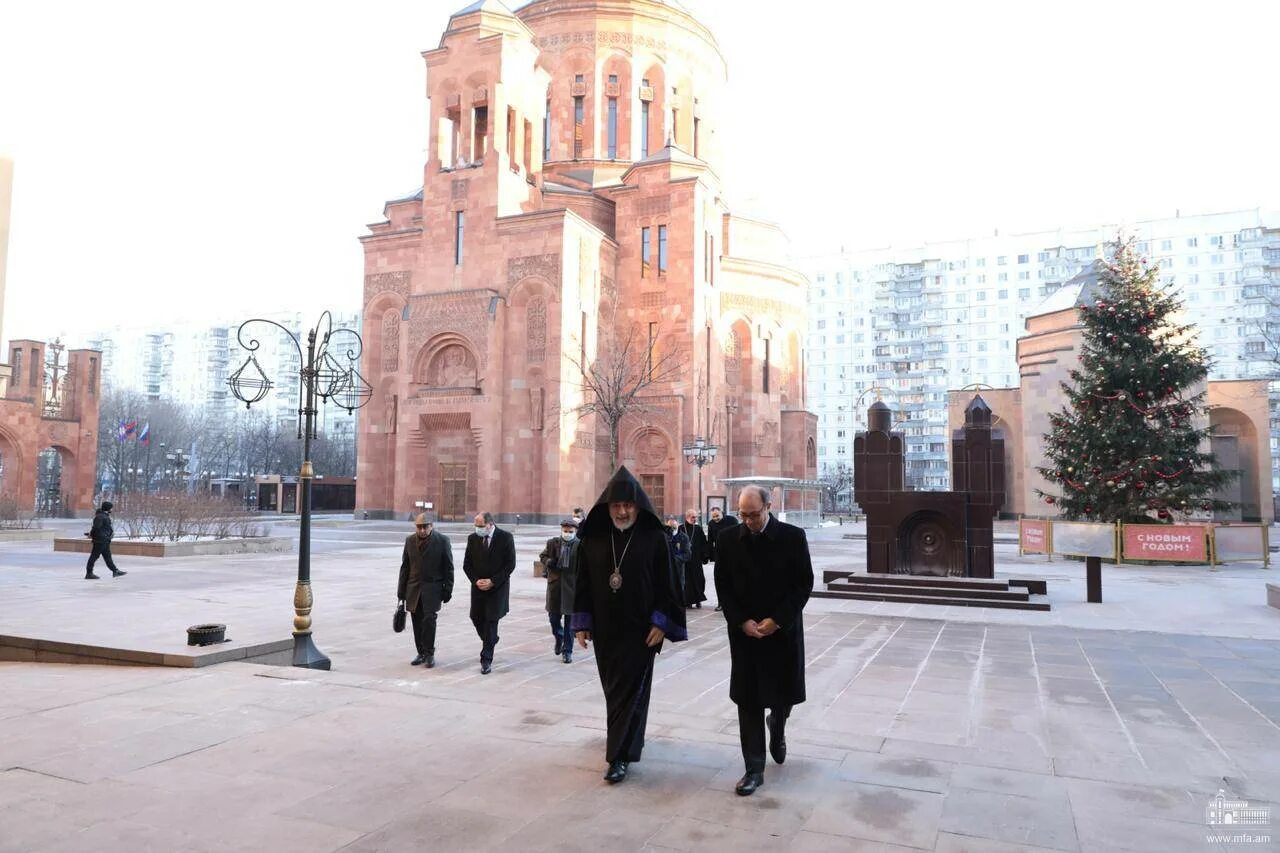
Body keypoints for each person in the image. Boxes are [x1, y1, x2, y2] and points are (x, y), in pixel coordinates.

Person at [574, 466, 687, 784]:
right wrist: (582, 621)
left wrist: (662, 622)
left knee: (632, 691)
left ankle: (619, 756)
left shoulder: (654, 538)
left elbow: (669, 584)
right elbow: (581, 583)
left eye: (628, 505)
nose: (622, 511)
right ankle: (625, 741)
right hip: (606, 631)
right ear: (606, 508)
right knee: (614, 690)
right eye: (616, 506)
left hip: (642, 631)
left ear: (638, 506)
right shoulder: (593, 540)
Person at [713, 485, 813, 797]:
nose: (749, 521)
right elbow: (723, 585)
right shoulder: (728, 539)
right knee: (748, 699)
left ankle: (778, 725)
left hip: (781, 631)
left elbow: (803, 584)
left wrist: (777, 620)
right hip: (746, 635)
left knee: (782, 694)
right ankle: (753, 768)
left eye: (754, 515)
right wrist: (742, 620)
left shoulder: (792, 537)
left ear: (768, 507)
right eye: (743, 515)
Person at [397, 514, 454, 668]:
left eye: (425, 526)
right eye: (419, 527)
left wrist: (448, 589)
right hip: (413, 589)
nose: (422, 530)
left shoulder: (442, 541)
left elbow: (448, 567)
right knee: (416, 621)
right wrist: (400, 593)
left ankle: (429, 653)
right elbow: (405, 567)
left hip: (433, 589)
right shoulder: (409, 541)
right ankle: (421, 652)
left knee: (429, 620)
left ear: (431, 526)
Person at [462, 511, 516, 674]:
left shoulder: (505, 537)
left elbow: (510, 565)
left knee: (491, 620)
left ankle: (486, 659)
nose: (477, 529)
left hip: (497, 588)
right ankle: (491, 640)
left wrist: (493, 581)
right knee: (476, 618)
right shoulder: (473, 539)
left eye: (480, 526)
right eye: (475, 525)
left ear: (490, 524)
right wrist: (475, 580)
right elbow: (467, 564)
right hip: (478, 587)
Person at [539, 518, 581, 663]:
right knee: (553, 619)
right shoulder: (553, 543)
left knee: (570, 623)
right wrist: (549, 562)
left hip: (572, 588)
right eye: (565, 531)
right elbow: (542, 556)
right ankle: (559, 636)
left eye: (571, 532)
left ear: (575, 532)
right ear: (561, 530)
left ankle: (567, 651)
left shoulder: (580, 545)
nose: (567, 533)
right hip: (555, 587)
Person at [706, 505, 739, 611]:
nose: (715, 518)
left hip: (733, 553)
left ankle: (734, 603)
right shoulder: (711, 524)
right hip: (720, 554)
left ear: (722, 512)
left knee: (733, 579)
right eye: (713, 517)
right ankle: (721, 602)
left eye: (717, 516)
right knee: (719, 579)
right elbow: (710, 540)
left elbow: (738, 535)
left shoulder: (732, 520)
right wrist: (710, 556)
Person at [84, 501, 126, 579]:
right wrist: (91, 534)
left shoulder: (104, 516)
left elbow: (104, 528)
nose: (112, 509)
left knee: (108, 557)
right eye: (111, 508)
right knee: (94, 556)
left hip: (105, 540)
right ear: (108, 508)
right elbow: (96, 528)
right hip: (100, 541)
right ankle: (89, 573)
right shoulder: (100, 517)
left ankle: (115, 571)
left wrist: (109, 534)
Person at [680, 508, 709, 608]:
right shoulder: (681, 528)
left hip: (696, 559)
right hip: (684, 559)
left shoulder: (698, 529)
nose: (695, 519)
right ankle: (688, 601)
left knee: (699, 579)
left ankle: (698, 600)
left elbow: (703, 543)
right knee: (687, 581)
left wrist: (705, 555)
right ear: (687, 517)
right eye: (693, 517)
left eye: (696, 517)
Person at [664, 514, 692, 597]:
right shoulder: (663, 536)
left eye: (674, 521)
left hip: (678, 569)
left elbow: (687, 555)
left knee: (678, 591)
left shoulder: (684, 537)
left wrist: (674, 559)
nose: (672, 524)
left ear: (678, 523)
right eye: (670, 524)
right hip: (665, 569)